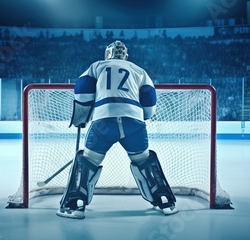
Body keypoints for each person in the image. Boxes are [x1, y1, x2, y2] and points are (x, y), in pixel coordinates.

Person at [57, 40, 178, 219]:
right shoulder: (139, 70)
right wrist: (140, 115)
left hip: (104, 122)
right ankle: (163, 200)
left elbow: (82, 92)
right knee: (144, 160)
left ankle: (76, 205)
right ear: (125, 55)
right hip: (134, 124)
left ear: (108, 54)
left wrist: (82, 116)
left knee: (88, 160)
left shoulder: (97, 66)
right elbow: (150, 102)